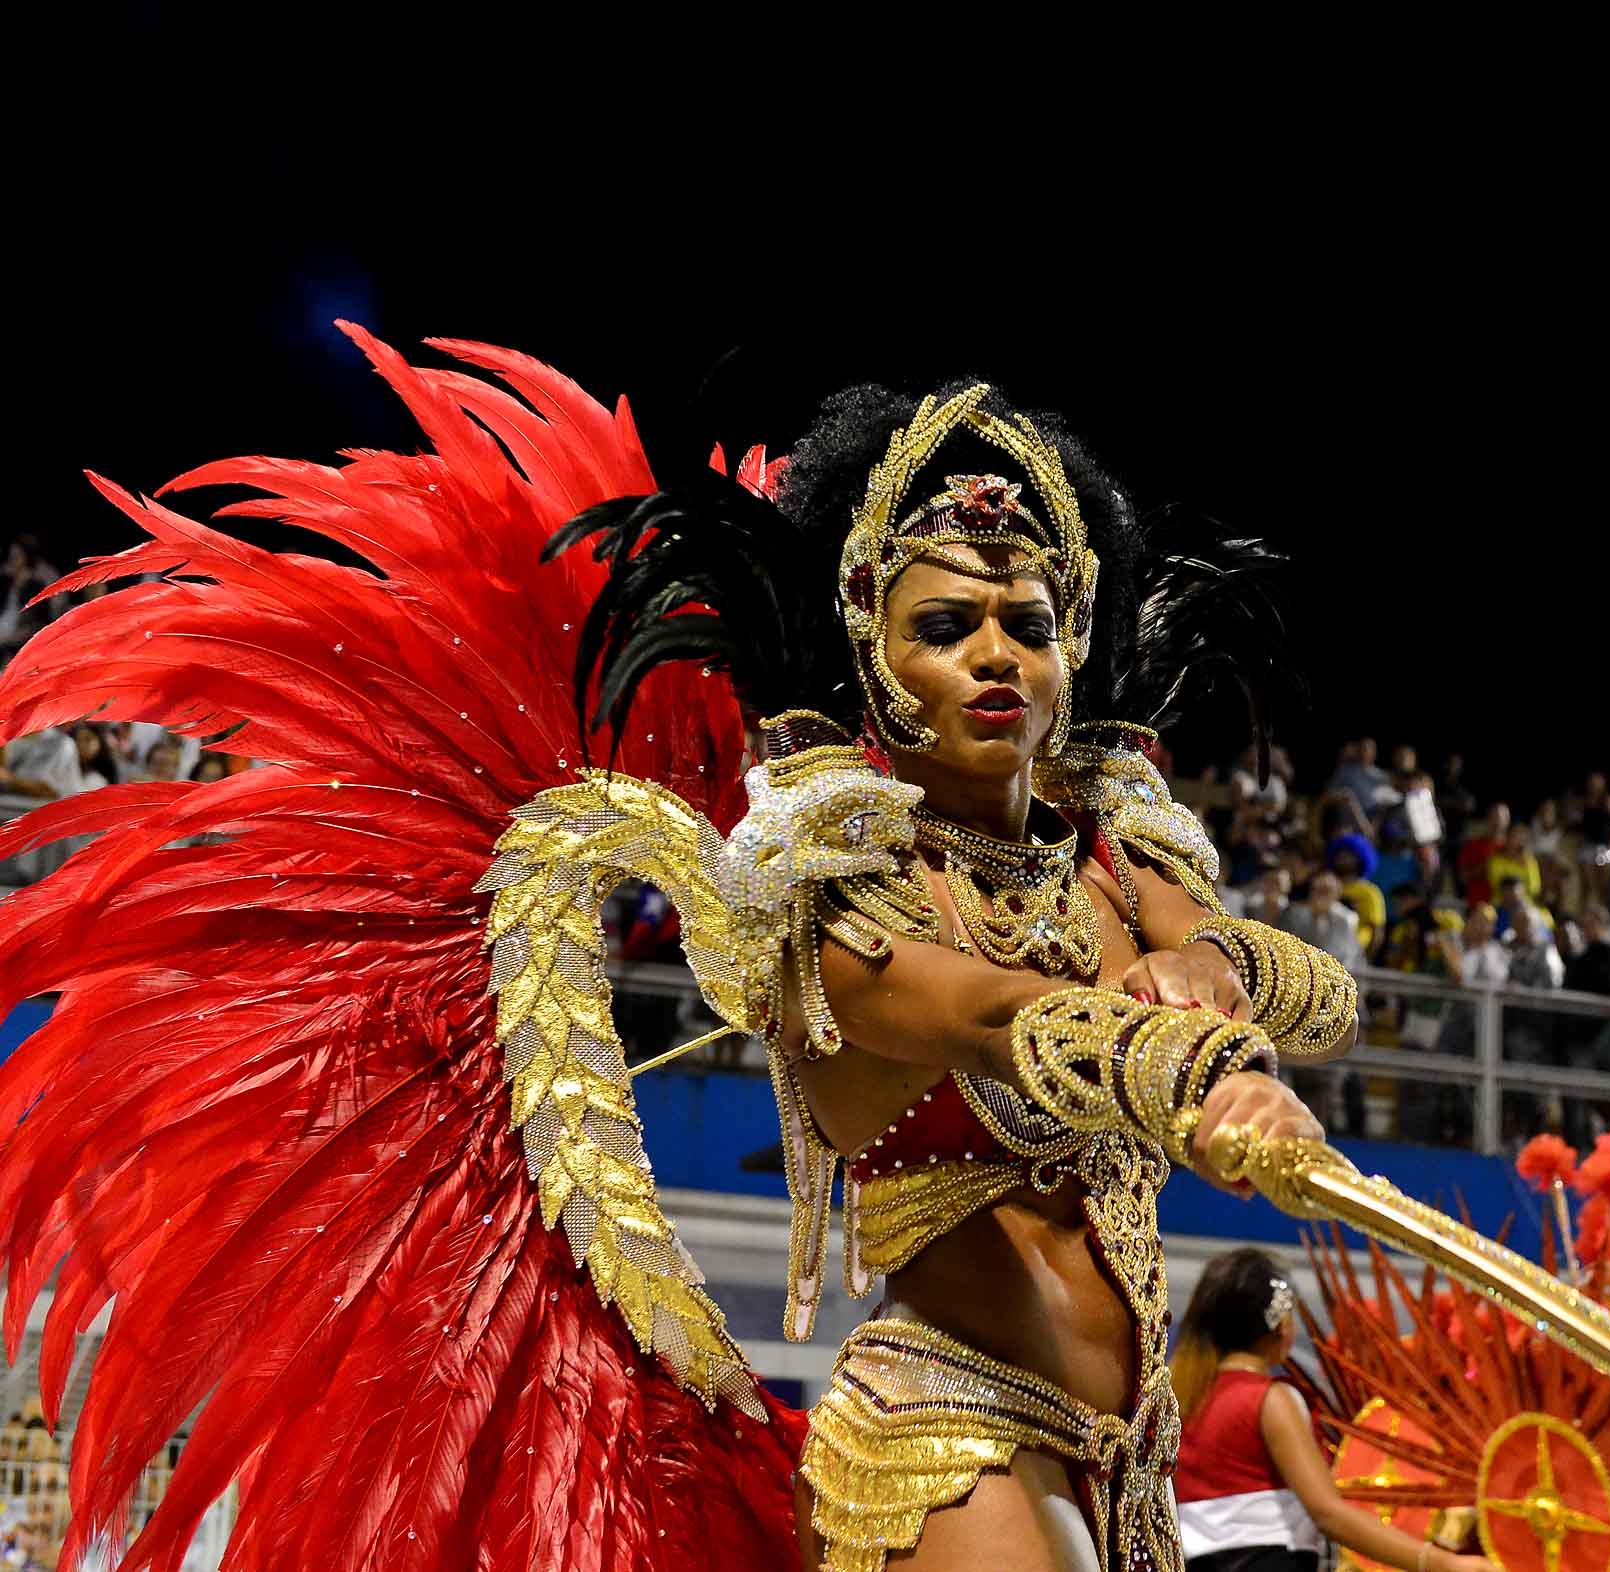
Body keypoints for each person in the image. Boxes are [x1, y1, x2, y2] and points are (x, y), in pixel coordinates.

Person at [0, 339, 1373, 1572]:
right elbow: (981, 1014)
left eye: (1027, 623)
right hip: (949, 1430)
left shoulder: (1122, 868)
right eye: (946, 627)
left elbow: (1311, 991)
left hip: (1130, 1457)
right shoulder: (834, 899)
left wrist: (1221, 995)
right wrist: (1150, 1046)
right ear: (873, 651)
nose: (994, 657)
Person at [1172, 1251, 1491, 1572]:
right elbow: (1328, 1513)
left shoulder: (1182, 1400)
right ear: (1281, 1324)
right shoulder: (1269, 1400)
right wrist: (1442, 1563)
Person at [1572, 771, 1610, 907]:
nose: (1594, 784)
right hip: (1586, 847)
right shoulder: (1584, 801)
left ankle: (1603, 913)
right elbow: (1579, 824)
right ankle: (1582, 913)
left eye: (1597, 781)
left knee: (1603, 886)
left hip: (1606, 849)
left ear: (1603, 783)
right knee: (1586, 886)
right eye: (1592, 781)